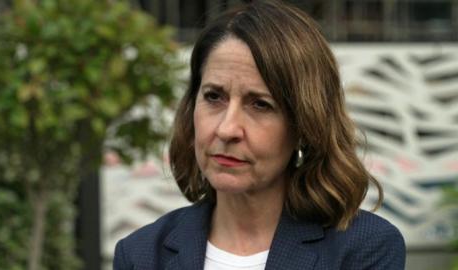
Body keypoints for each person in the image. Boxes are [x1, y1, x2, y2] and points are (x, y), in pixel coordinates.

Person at [113, 0, 406, 269]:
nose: (227, 129)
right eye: (214, 97)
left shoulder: (362, 248)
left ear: (305, 124)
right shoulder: (142, 255)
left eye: (260, 104)